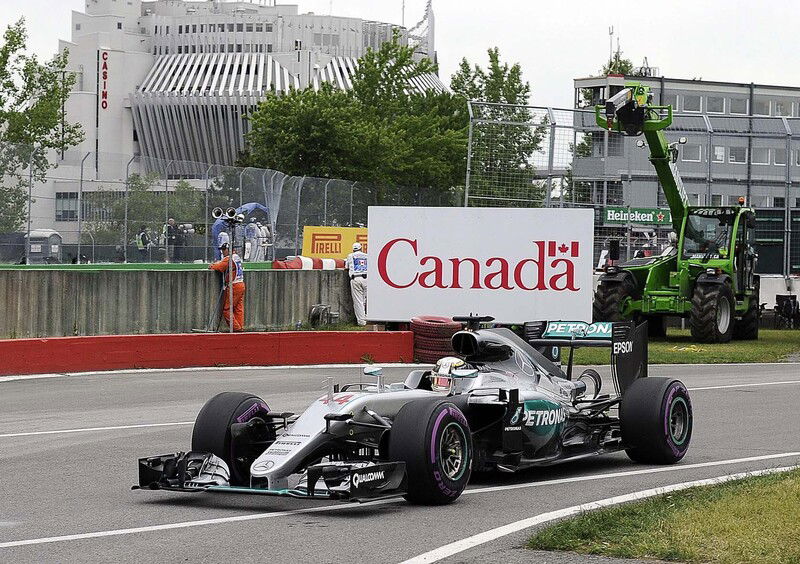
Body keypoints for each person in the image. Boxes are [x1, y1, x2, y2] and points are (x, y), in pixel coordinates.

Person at [209, 243, 245, 332]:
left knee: (226, 310)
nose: (222, 252)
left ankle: (236, 328)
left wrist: (212, 265)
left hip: (234, 286)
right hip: (241, 284)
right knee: (238, 308)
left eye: (224, 250)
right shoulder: (236, 257)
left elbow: (219, 267)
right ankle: (240, 327)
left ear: (228, 250)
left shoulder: (229, 259)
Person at [345, 242, 368, 326]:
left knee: (358, 301)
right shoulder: (366, 256)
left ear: (353, 249)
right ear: (361, 248)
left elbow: (346, 267)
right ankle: (369, 318)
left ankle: (362, 322)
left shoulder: (350, 256)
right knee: (367, 300)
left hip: (356, 278)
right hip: (367, 279)